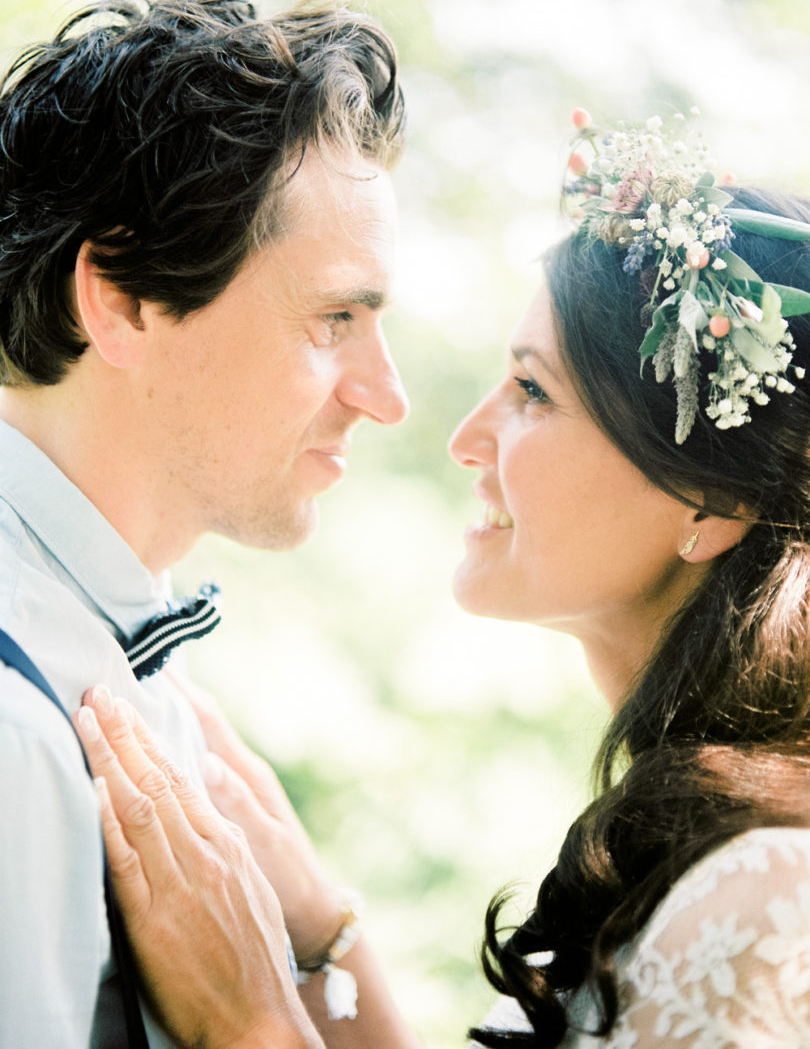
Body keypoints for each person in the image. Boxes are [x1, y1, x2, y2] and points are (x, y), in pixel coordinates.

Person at [75, 111, 810, 1047]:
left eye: (533, 392)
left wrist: (246, 1020)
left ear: (705, 496)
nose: (466, 437)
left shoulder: (772, 898)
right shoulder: (685, 832)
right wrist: (322, 933)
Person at [0, 0, 411, 1048]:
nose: (387, 394)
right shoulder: (13, 735)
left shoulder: (138, 659)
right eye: (335, 319)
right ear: (125, 302)